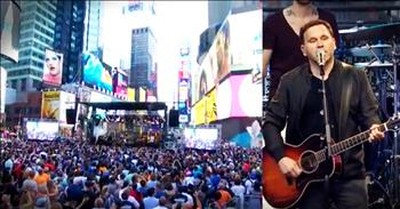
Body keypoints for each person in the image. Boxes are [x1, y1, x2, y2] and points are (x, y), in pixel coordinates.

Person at [261, 19, 384, 209]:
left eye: (324, 38)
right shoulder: (290, 81)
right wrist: (281, 157)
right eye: (312, 40)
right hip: (304, 179)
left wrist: (374, 127)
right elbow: (270, 123)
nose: (319, 43)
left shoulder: (355, 77)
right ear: (303, 49)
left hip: (349, 176)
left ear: (334, 43)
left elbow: (370, 115)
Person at [262, 0, 339, 100]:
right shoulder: (273, 22)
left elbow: (333, 59)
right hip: (283, 100)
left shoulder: (328, 19)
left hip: (320, 96)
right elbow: (262, 66)